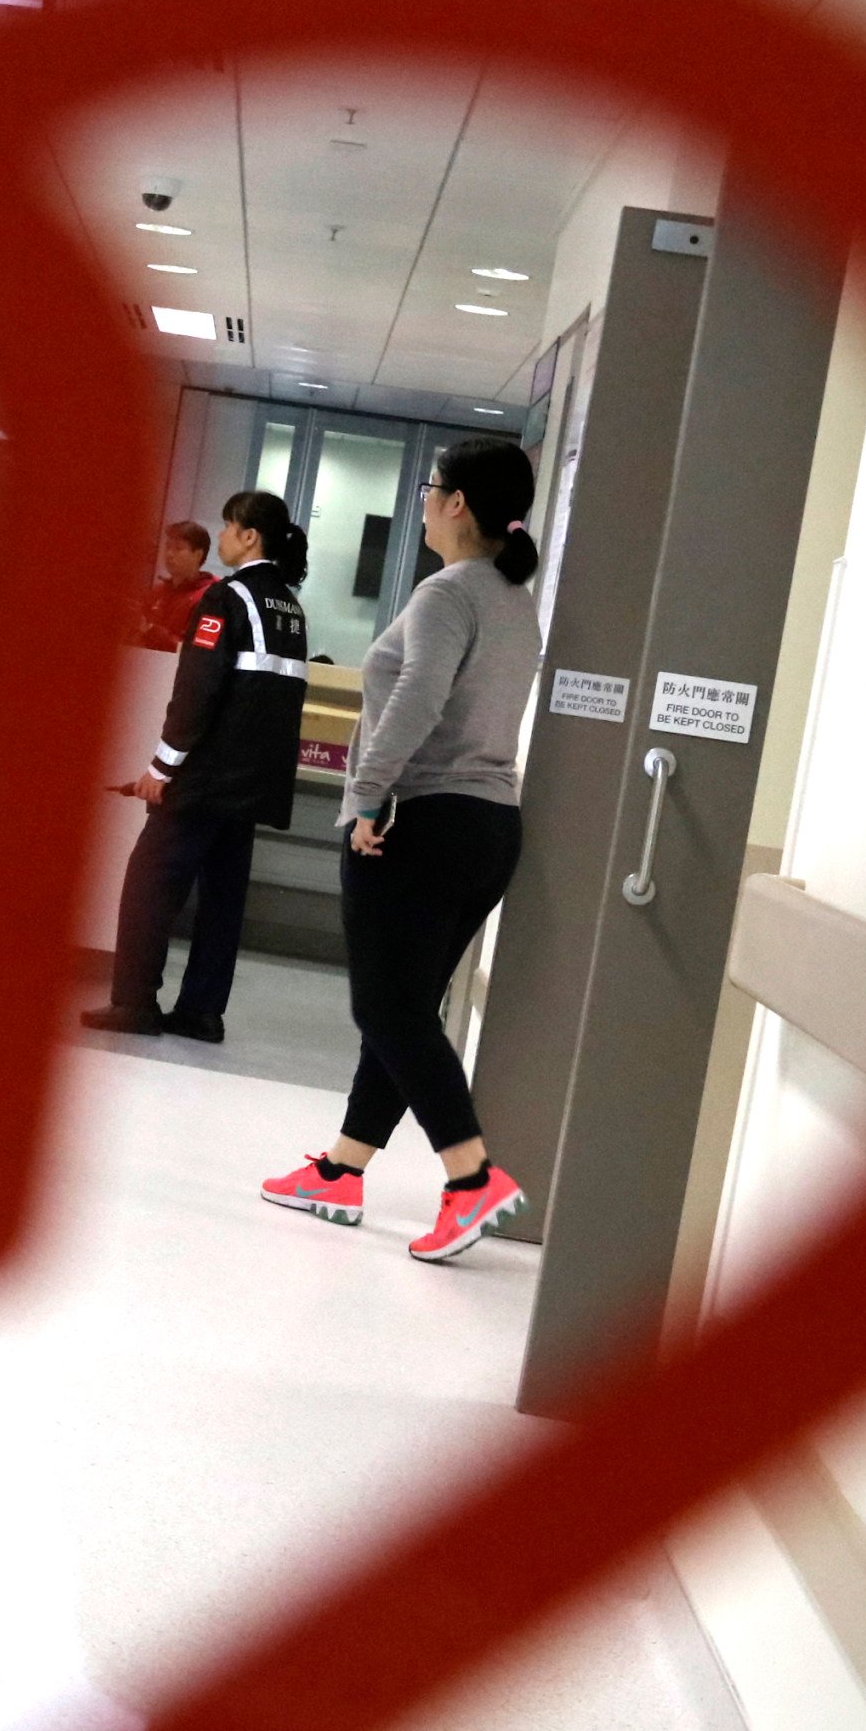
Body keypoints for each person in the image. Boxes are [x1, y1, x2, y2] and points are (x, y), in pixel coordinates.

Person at [260, 436, 544, 1262]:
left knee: (387, 1008)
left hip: (423, 820)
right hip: (489, 826)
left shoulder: (447, 592)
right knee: (404, 1007)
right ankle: (343, 1170)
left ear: (455, 502)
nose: (424, 500)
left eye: (431, 488)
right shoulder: (511, 597)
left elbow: (416, 700)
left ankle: (470, 1177)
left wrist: (365, 798)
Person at [83, 490, 307, 1044]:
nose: (223, 538)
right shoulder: (290, 608)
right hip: (254, 785)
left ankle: (134, 1004)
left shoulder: (226, 599)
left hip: (206, 779)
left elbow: (197, 692)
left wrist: (162, 767)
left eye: (229, 527)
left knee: (148, 885)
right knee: (223, 900)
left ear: (249, 536)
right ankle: (203, 1012)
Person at [137, 520, 216, 650]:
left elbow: (202, 651)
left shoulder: (212, 598)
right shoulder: (157, 591)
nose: (169, 554)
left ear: (198, 555)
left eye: (178, 548)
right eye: (168, 547)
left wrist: (152, 632)